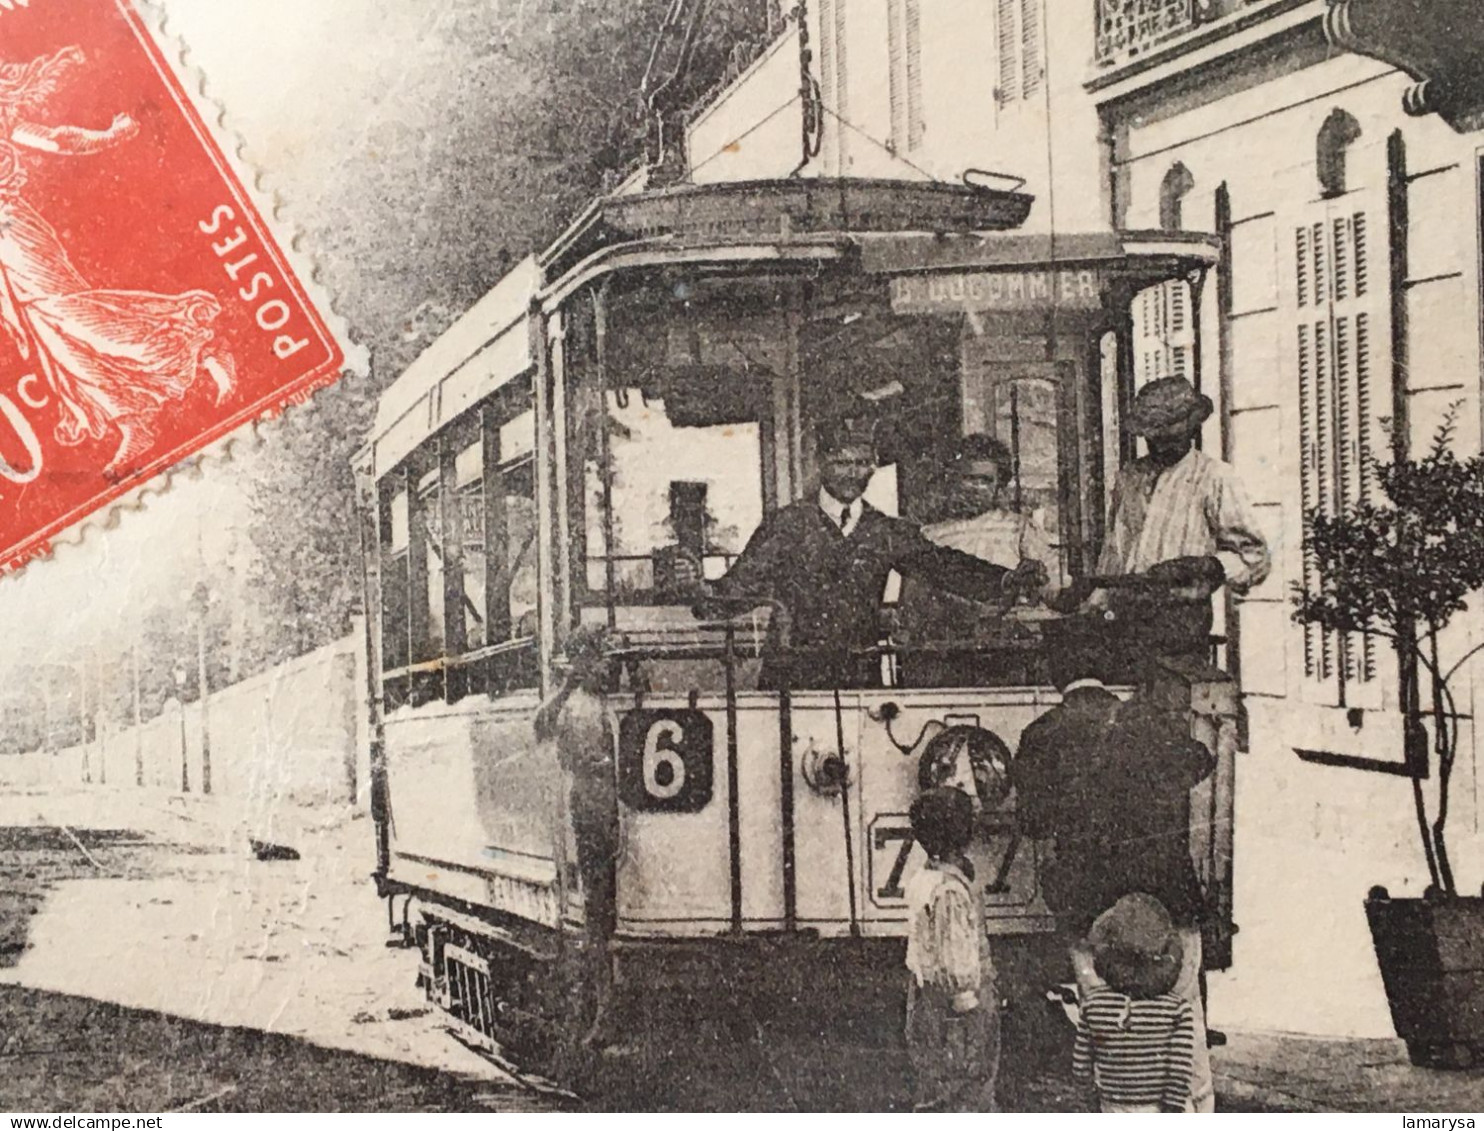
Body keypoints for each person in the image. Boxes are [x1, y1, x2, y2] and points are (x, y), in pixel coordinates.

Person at [681, 417, 1047, 689]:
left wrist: (1007, 579)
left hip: (861, 679)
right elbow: (738, 589)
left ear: (874, 465)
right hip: (792, 682)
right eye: (842, 462)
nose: (853, 473)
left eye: (862, 463)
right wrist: (700, 589)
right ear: (820, 463)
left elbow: (945, 566)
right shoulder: (786, 525)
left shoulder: (884, 530)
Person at [1013, 626, 1218, 1111]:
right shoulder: (1143, 721)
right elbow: (1199, 761)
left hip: (1092, 909)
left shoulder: (1041, 735)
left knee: (1109, 1031)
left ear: (1054, 672)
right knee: (1184, 1022)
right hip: (1167, 902)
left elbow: (1034, 823)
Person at [1093, 375, 1270, 667]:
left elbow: (1254, 556)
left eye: (1171, 436)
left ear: (1191, 429)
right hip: (1124, 616)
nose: (1161, 446)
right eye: (1154, 437)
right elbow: (1114, 549)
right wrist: (1099, 599)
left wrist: (1210, 567)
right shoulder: (1129, 478)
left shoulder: (1214, 477)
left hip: (1181, 620)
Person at [899, 434, 1052, 684]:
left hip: (1003, 651)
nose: (975, 488)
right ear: (952, 481)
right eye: (968, 478)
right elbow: (913, 603)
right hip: (947, 650)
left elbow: (1045, 589)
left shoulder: (1019, 528)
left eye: (985, 481)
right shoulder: (931, 534)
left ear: (998, 486)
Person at [534, 627, 619, 1048]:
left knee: (598, 916)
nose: (608, 665)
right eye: (599, 658)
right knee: (597, 915)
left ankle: (598, 1011)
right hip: (593, 812)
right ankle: (600, 1010)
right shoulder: (582, 705)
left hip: (598, 812)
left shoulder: (591, 703)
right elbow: (541, 727)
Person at [904, 786, 1001, 1112]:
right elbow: (955, 954)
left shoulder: (923, 878)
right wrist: (968, 1006)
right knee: (968, 1087)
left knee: (936, 1084)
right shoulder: (950, 892)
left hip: (925, 996)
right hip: (956, 1008)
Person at [1072, 894, 1197, 1114]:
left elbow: (1081, 1068)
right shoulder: (1176, 1010)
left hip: (1111, 1107)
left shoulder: (1093, 1006)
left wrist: (1089, 1107)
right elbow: (1179, 1073)